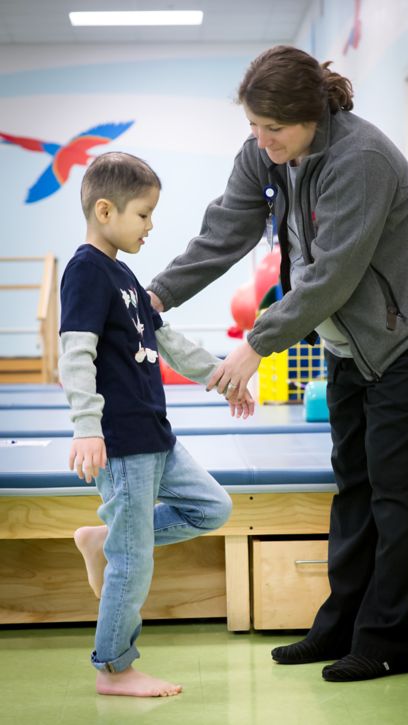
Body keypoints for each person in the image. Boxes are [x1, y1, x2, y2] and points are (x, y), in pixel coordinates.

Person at [147, 45, 408, 682]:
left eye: (275, 129)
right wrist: (152, 294)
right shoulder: (266, 154)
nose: (263, 142)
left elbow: (330, 277)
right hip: (352, 341)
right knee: (354, 487)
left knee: (398, 498)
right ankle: (342, 626)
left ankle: (388, 643)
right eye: (254, 128)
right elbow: (224, 232)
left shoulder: (362, 158)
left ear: (313, 115)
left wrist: (254, 346)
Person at [59, 151, 254, 698]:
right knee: (133, 560)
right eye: (143, 214)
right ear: (105, 210)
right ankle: (114, 668)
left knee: (211, 507)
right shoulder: (85, 271)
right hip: (121, 442)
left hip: (156, 437)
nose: (151, 226)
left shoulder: (123, 274)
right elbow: (75, 355)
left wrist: (224, 375)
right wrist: (86, 427)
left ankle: (104, 540)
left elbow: (166, 341)